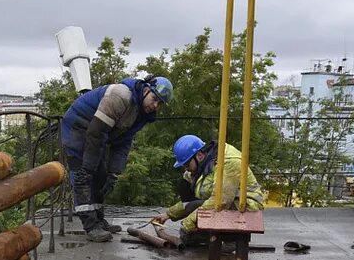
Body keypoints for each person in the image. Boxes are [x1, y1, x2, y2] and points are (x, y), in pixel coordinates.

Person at [62, 74, 173, 242]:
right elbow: (96, 132)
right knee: (83, 177)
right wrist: (87, 169)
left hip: (95, 133)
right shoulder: (120, 96)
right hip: (77, 128)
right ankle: (91, 227)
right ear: (145, 89)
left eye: (160, 103)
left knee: (101, 176)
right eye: (154, 99)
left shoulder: (140, 113)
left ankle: (99, 221)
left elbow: (122, 143)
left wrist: (113, 173)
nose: (155, 106)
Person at [152, 134, 266, 245]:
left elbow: (221, 201)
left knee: (196, 217)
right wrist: (168, 214)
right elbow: (196, 201)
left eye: (187, 165)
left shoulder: (229, 163)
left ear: (199, 156)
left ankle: (231, 239)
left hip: (246, 206)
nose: (186, 169)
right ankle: (208, 234)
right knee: (185, 187)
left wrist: (190, 222)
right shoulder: (207, 162)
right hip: (228, 201)